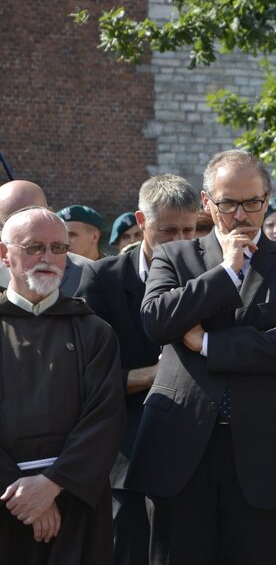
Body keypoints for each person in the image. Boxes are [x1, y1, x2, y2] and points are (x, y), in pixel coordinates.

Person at [126, 150, 276, 564]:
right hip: (180, 450)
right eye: (228, 203)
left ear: (267, 198)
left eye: (253, 202)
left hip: (263, 454)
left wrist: (209, 345)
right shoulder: (175, 256)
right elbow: (156, 321)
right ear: (207, 202)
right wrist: (226, 272)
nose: (242, 215)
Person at [76, 174, 199, 565]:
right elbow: (88, 378)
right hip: (128, 459)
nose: (180, 241)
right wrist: (157, 373)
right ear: (141, 221)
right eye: (168, 230)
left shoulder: (211, 276)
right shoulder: (103, 280)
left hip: (197, 458)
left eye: (189, 230)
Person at [0, 207, 124, 563]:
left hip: (76, 499)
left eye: (58, 248)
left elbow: (105, 418)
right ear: (4, 254)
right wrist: (25, 497)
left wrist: (53, 484)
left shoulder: (94, 331)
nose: (48, 258)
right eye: (34, 247)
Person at [0, 180, 91, 295]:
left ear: (50, 213)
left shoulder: (88, 274)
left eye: (35, 214)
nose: (47, 258)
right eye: (12, 220)